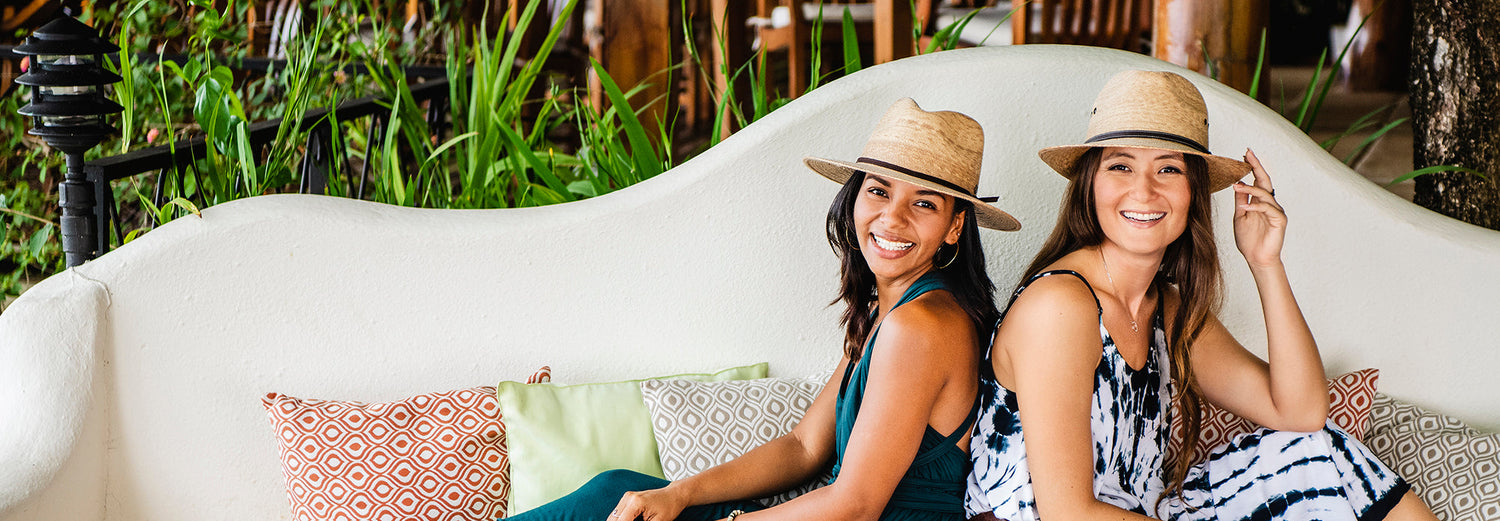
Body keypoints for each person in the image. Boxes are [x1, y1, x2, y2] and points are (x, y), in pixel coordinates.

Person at [506, 98, 1022, 521]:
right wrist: (680, 494)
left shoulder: (922, 324)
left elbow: (856, 505)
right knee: (621, 492)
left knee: (609, 501)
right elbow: (804, 448)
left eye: (925, 203)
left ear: (955, 228)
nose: (892, 218)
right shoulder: (887, 312)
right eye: (879, 191)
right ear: (854, 198)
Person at [965, 70, 1437, 521]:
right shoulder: (1061, 305)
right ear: (1090, 184)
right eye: (1120, 166)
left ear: (1192, 190)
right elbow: (1068, 512)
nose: (1143, 190)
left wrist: (1265, 262)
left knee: (1319, 451)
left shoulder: (1165, 307)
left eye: (1167, 168)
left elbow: (1300, 413)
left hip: (1139, 514)